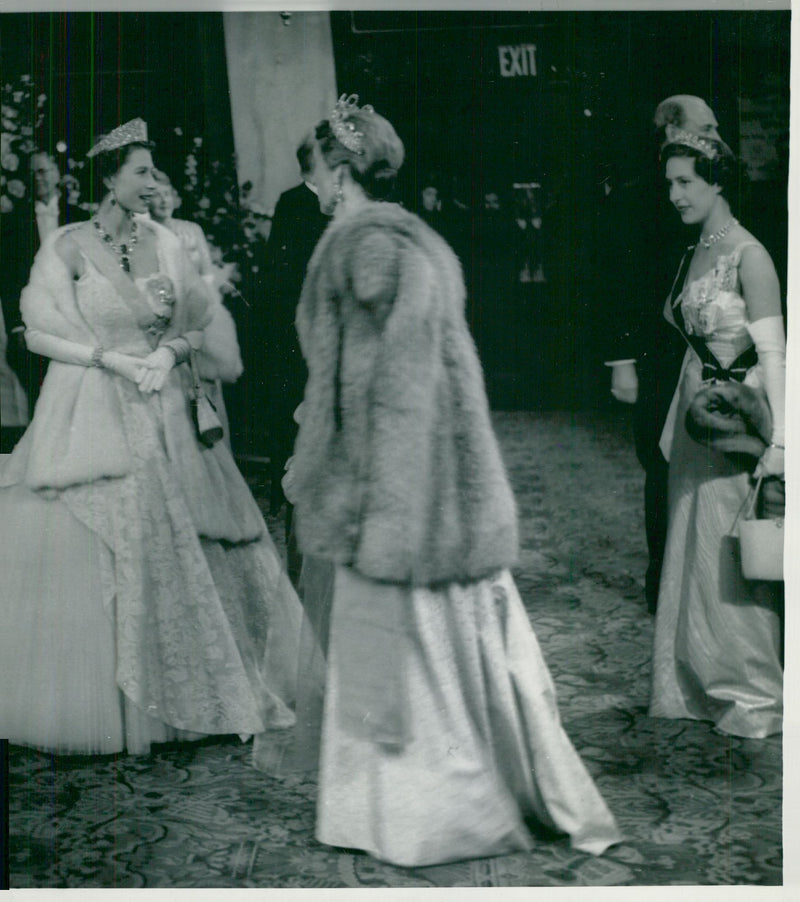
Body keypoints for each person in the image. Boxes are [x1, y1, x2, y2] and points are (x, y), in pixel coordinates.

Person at [256, 94, 621, 867]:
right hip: (425, 485)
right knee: (431, 646)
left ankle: (419, 809)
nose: (313, 186)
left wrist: (375, 503)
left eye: (318, 170)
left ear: (343, 171)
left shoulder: (365, 247)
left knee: (399, 645)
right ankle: (407, 798)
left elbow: (392, 392)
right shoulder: (409, 238)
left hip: (396, 490)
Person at [0, 119, 303, 755]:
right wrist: (104, 359)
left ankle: (218, 683)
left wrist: (173, 353)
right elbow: (33, 331)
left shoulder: (165, 241)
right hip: (92, 403)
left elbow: (204, 319)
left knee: (195, 535)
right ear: (108, 178)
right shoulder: (66, 246)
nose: (152, 183)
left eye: (155, 171)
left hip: (167, 405)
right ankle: (117, 700)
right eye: (141, 171)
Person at [648, 123, 784, 739]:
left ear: (717, 182)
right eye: (670, 183)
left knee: (731, 554)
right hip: (691, 417)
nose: (674, 195)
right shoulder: (689, 248)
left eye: (685, 182)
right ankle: (693, 680)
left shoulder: (750, 255)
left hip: (734, 426)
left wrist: (780, 444)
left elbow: (775, 355)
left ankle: (749, 688)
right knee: (691, 545)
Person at [605, 96, 725, 613]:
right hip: (655, 357)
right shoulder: (633, 197)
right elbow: (614, 283)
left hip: (709, 350)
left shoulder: (717, 190)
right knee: (661, 465)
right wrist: (622, 360)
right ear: (674, 130)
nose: (717, 131)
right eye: (707, 125)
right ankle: (665, 584)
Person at [148, 168, 243, 446]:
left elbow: (207, 275)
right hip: (166, 315)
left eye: (167, 194)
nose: (163, 201)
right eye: (155, 195)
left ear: (175, 198)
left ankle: (217, 445)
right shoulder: (146, 234)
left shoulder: (191, 230)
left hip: (199, 312)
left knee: (207, 380)